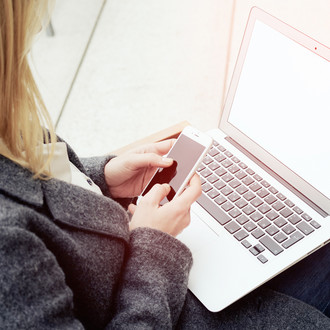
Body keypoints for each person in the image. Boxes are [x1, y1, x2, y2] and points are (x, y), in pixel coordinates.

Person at [0, 1, 329, 329]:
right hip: (165, 300)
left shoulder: (8, 115)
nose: (40, 25)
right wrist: (153, 244)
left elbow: (39, 185)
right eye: (29, 16)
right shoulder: (7, 251)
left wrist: (100, 178)